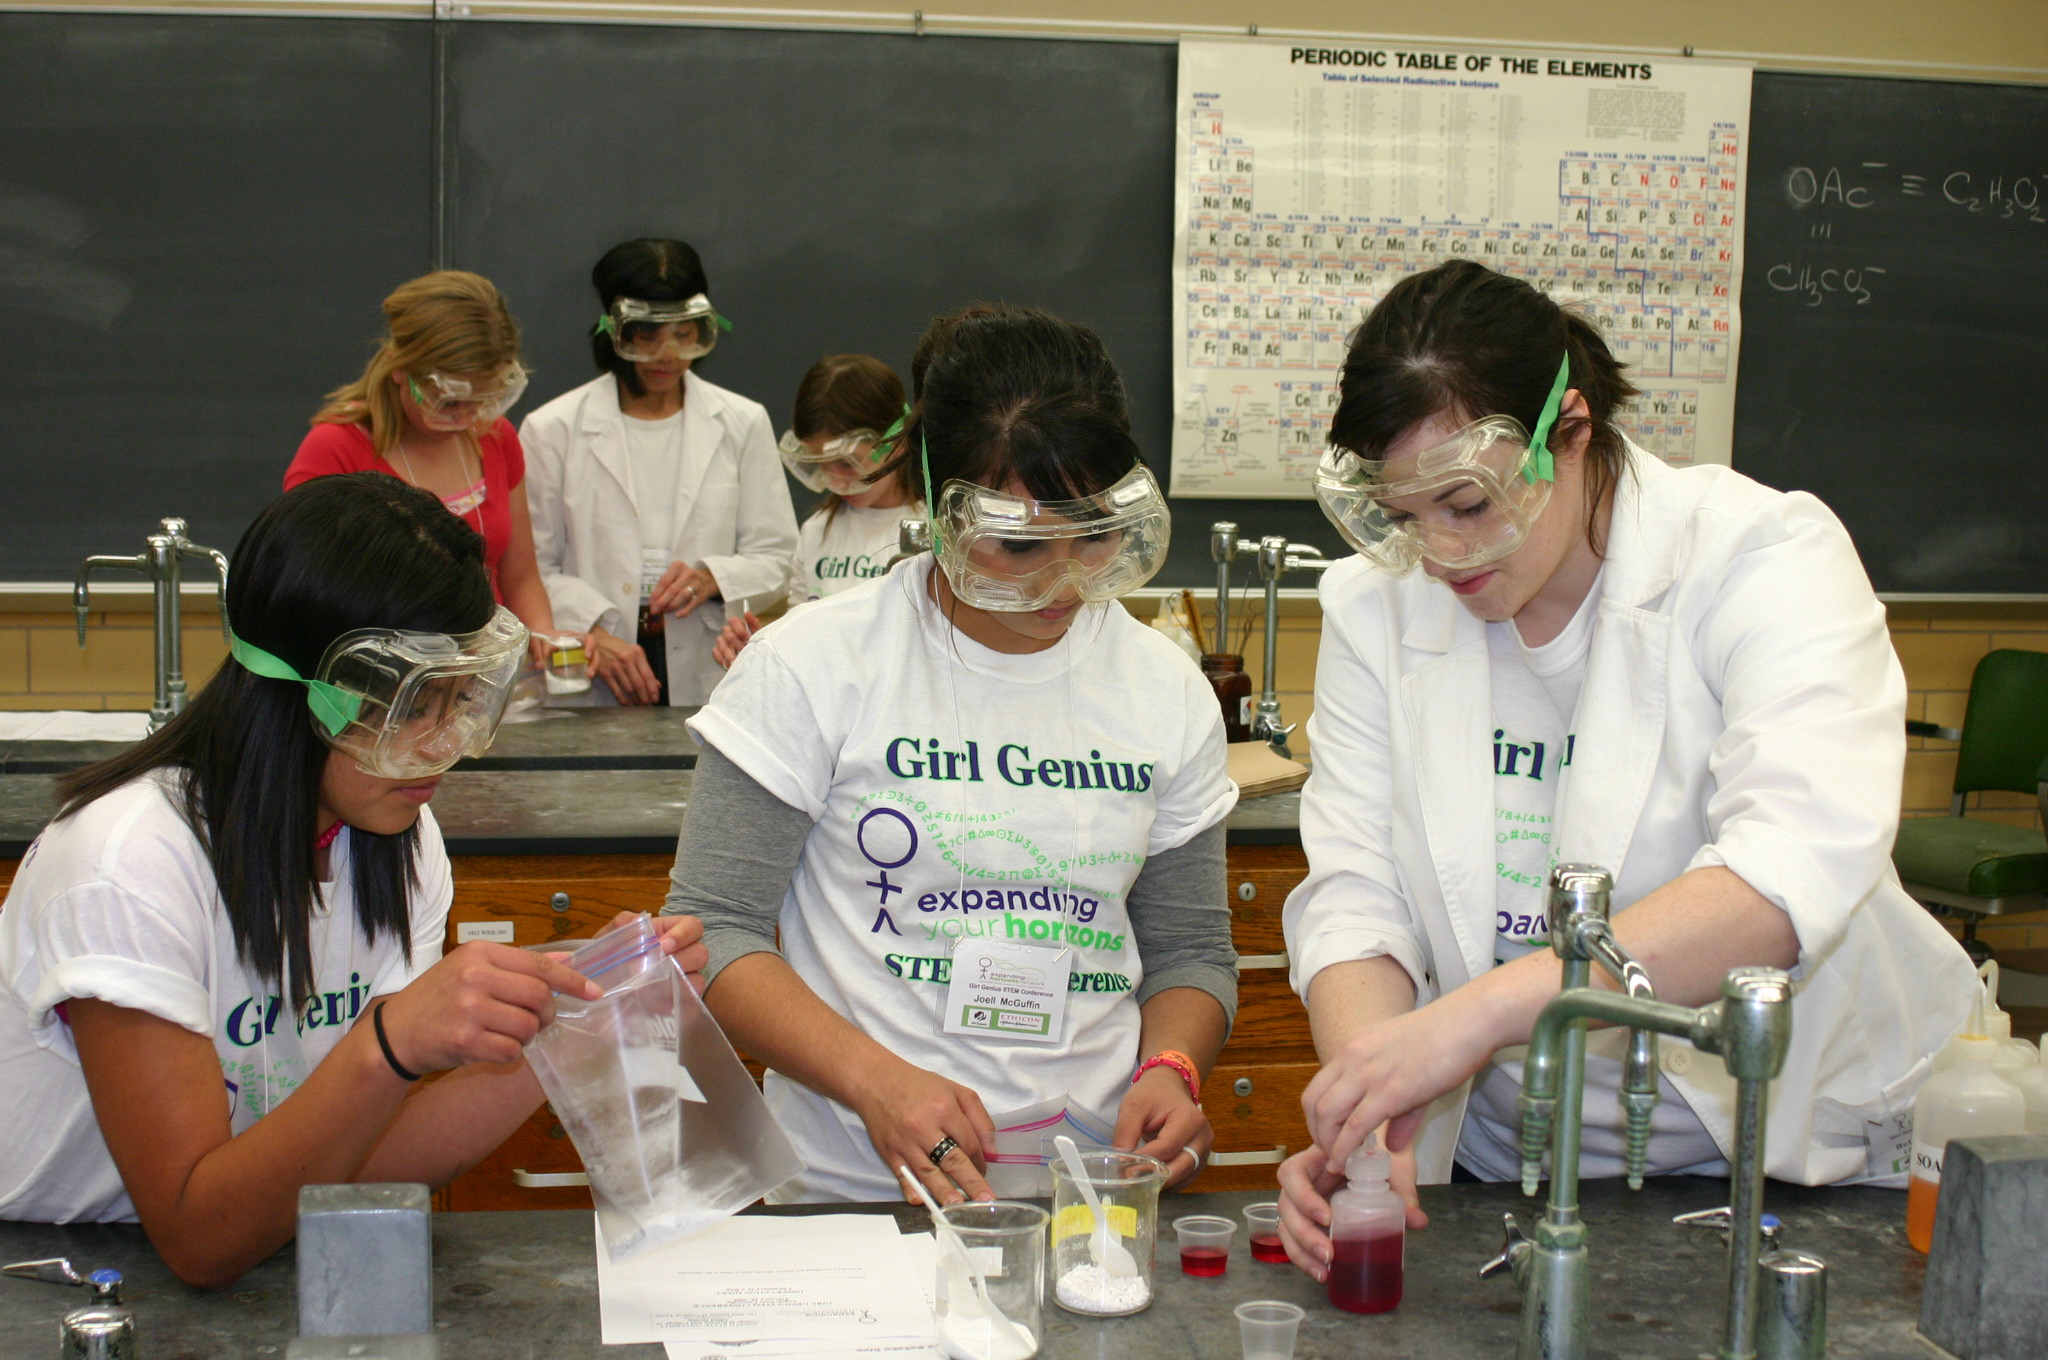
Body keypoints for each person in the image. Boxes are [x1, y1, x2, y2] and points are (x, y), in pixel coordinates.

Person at [1274, 259, 1979, 1281]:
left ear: (1573, 427)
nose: (1436, 550)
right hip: (1508, 1177)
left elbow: (1782, 876)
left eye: (1466, 502)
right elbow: (1355, 896)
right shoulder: (1373, 608)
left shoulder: (1757, 556)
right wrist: (1371, 1095)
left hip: (1789, 1159)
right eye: (1401, 513)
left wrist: (1462, 1025)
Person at [0, 474, 705, 1286]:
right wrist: (388, 1045)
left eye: (464, 701)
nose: (447, 746)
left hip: (255, 1253)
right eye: (414, 707)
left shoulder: (393, 833)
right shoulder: (126, 861)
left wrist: (576, 1022)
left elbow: (357, 1171)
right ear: (315, 693)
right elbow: (199, 1237)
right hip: (61, 1274)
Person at [664, 304, 1238, 1206]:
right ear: (936, 502)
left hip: (1087, 1191)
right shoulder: (815, 665)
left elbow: (1191, 948)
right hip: (856, 1189)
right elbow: (716, 931)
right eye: (1016, 545)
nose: (1063, 578)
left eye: (1093, 534)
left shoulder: (1164, 688)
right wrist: (874, 1083)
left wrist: (1171, 1066)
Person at [522, 238, 799, 706]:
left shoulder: (741, 421)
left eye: (684, 334)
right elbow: (530, 570)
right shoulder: (553, 429)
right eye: (647, 336)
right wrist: (591, 628)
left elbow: (778, 558)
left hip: (706, 664)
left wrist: (715, 577)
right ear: (614, 332)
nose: (668, 354)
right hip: (593, 665)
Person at [285, 270, 556, 668]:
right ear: (400, 369)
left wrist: (544, 635)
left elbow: (520, 577)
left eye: (483, 399)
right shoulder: (335, 451)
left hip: (479, 680)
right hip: (377, 685)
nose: (465, 417)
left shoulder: (496, 439)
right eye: (447, 401)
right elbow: (310, 597)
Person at [712, 353, 923, 668]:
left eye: (846, 462)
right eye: (820, 466)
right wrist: (760, 651)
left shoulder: (935, 525)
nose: (835, 480)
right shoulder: (817, 532)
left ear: (896, 439)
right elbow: (804, 641)